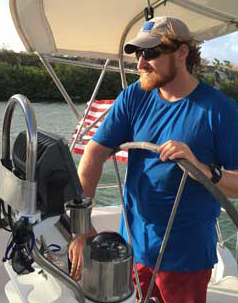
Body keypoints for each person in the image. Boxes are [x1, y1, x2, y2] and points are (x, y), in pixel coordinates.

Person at [69, 16, 238, 303]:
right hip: (134, 247)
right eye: (137, 54)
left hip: (187, 257)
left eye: (150, 53)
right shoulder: (134, 97)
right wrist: (81, 226)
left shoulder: (220, 111)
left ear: (182, 53)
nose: (140, 63)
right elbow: (94, 154)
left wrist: (201, 168)